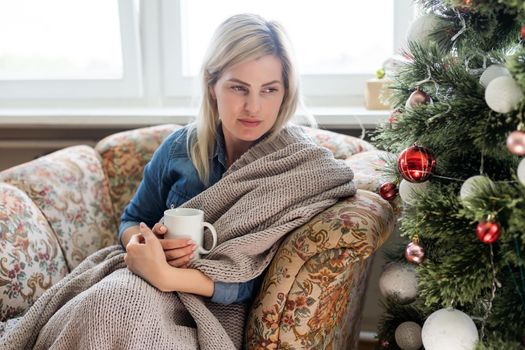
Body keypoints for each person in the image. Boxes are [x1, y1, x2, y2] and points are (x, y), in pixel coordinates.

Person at [119, 13, 312, 304]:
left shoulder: (294, 168)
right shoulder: (179, 148)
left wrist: (166, 276)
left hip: (216, 308)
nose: (253, 107)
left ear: (285, 94)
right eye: (238, 88)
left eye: (269, 90)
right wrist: (143, 245)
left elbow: (266, 279)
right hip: (146, 286)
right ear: (212, 86)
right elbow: (133, 219)